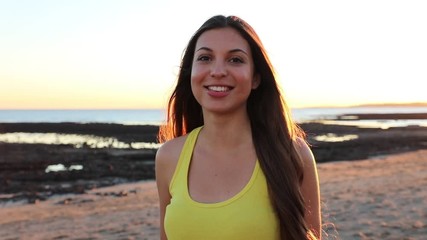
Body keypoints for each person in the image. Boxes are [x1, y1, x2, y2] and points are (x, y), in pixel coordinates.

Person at [155, 15, 321, 240]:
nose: (218, 71)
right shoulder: (169, 157)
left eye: (235, 60)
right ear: (190, 73)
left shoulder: (293, 155)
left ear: (255, 78)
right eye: (205, 57)